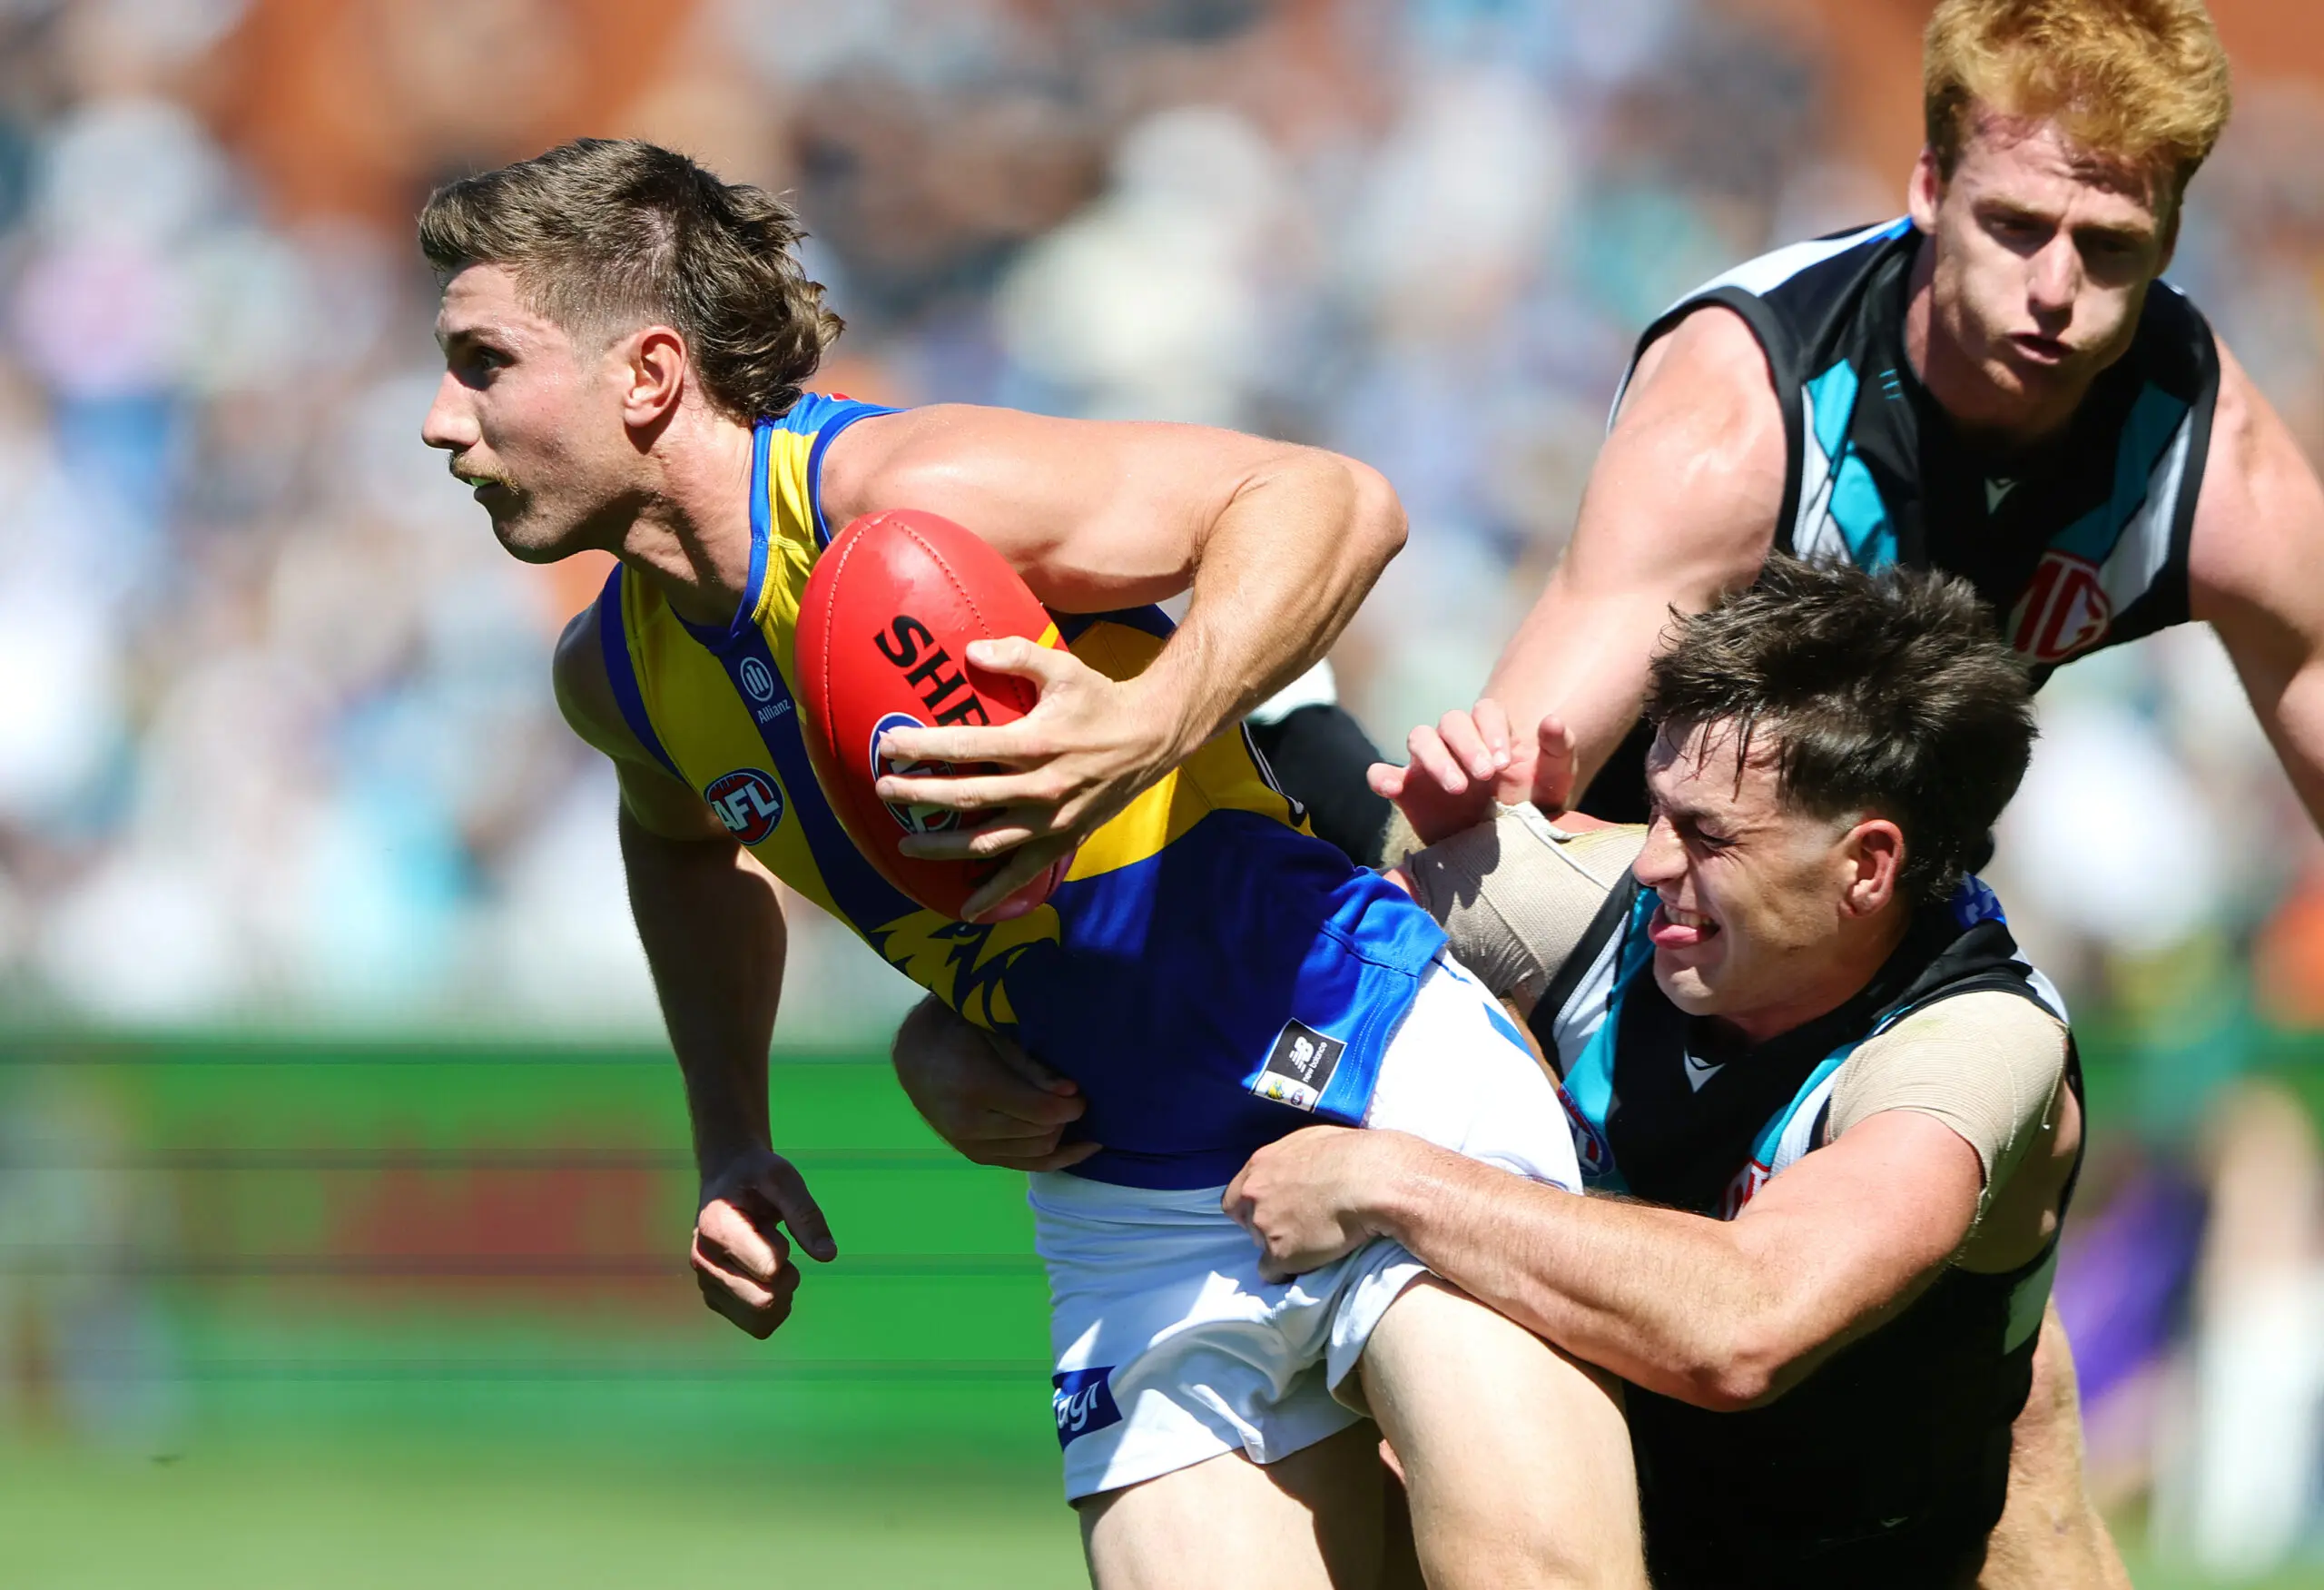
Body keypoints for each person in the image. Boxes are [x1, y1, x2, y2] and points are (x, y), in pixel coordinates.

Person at [418, 139, 1642, 1590]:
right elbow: (682, 850)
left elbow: (1333, 500)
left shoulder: (906, 493)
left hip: (1364, 1056)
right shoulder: (614, 677)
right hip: (1124, 1197)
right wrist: (731, 1133)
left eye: (482, 363)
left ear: (648, 373)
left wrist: (1149, 718)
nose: (442, 422)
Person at [1229, 558, 2086, 1588]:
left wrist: (1389, 1180)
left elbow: (1744, 1329)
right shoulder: (1600, 905)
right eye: (1656, 809)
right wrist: (985, 1057)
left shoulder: (1971, 1044)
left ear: (1866, 865)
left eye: (1707, 834)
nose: (1646, 860)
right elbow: (1266, 930)